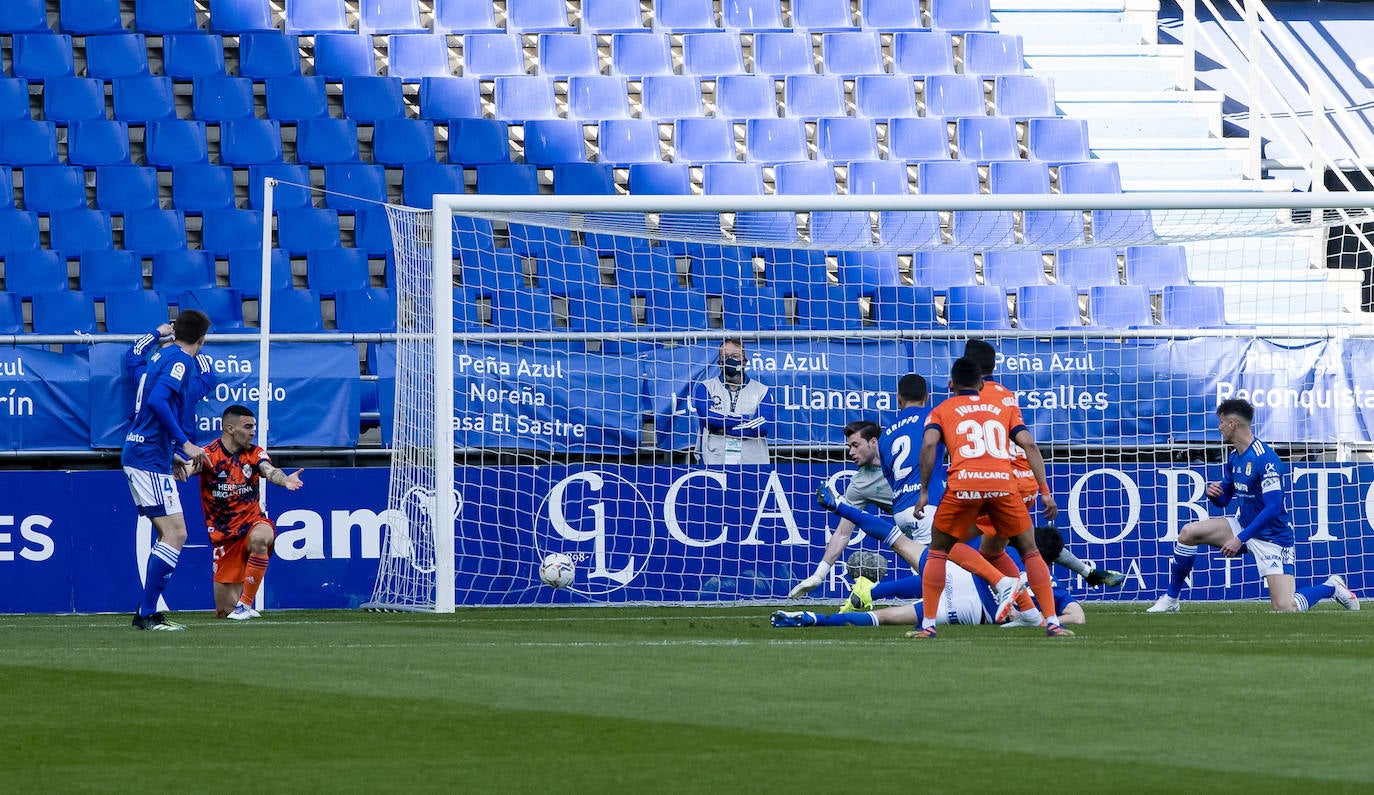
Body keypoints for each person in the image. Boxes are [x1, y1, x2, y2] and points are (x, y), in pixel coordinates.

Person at [1146, 398, 1360, 613]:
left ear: (1232, 424)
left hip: (1272, 538)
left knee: (1285, 608)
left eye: (1221, 422)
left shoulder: (1265, 459)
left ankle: (1331, 587)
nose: (1219, 428)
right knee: (1188, 533)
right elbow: (1224, 501)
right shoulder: (1234, 457)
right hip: (1244, 525)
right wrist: (1214, 496)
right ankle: (1171, 599)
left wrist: (1240, 539)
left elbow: (1273, 507)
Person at [912, 356, 1072, 638]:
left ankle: (928, 625)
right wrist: (1045, 492)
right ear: (981, 383)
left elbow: (928, 444)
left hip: (964, 486)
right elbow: (1029, 444)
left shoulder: (941, 409)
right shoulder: (1002, 406)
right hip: (1003, 485)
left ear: (951, 384)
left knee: (939, 549)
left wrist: (924, 491)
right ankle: (1051, 622)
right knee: (1030, 550)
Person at [964, 339, 1126, 588]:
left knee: (946, 543)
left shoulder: (968, 398)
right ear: (994, 365)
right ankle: (1078, 577)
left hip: (997, 481)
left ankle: (1034, 597)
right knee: (998, 550)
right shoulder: (1006, 396)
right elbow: (1028, 443)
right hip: (1025, 482)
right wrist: (1045, 491)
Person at [772, 527, 1086, 629]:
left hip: (962, 578)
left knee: (908, 548)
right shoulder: (1048, 582)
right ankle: (818, 619)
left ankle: (866, 591)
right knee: (890, 617)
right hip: (971, 608)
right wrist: (1045, 620)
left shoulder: (1009, 553)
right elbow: (1079, 616)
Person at [121, 309, 211, 631]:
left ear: (175, 332)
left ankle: (147, 611)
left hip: (149, 453)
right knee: (176, 534)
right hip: (146, 456)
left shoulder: (161, 354)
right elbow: (158, 401)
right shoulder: (181, 361)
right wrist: (184, 444)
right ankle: (145, 614)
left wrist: (171, 453)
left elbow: (149, 402)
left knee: (169, 534)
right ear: (202, 339)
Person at [183, 405, 303, 620]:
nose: (253, 431)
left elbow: (269, 470)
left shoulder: (255, 453)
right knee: (223, 613)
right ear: (229, 428)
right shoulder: (209, 454)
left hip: (252, 525)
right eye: (247, 427)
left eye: (254, 427)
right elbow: (189, 467)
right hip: (225, 538)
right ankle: (236, 607)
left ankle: (245, 605)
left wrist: (284, 480)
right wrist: (180, 469)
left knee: (262, 537)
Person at [692, 338, 774, 465]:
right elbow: (708, 418)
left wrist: (720, 429)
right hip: (714, 461)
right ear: (720, 363)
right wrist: (746, 419)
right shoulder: (705, 387)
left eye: (735, 356)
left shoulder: (762, 391)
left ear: (745, 361)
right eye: (725, 357)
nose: (730, 360)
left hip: (752, 464)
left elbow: (761, 427)